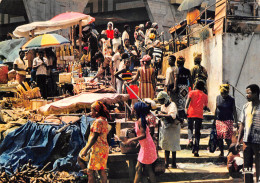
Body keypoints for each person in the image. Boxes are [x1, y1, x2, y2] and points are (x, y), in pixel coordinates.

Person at [123, 102, 157, 183]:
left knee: (147, 169)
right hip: (144, 146)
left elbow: (144, 135)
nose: (132, 110)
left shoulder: (141, 121)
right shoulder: (139, 120)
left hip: (147, 147)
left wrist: (131, 139)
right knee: (138, 168)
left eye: (133, 109)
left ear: (137, 110)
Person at [79, 101, 111, 183]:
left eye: (91, 110)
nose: (90, 112)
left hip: (97, 149)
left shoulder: (98, 122)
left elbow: (94, 137)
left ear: (96, 111)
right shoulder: (104, 120)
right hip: (103, 148)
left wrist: (86, 149)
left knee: (90, 171)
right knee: (101, 169)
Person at [236, 84, 260, 183]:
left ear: (256, 93)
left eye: (249, 93)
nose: (247, 95)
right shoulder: (245, 107)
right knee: (247, 167)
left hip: (258, 142)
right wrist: (238, 141)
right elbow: (242, 124)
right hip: (247, 141)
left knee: (259, 165)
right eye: (246, 93)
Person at [157, 91, 181, 168]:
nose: (160, 102)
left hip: (173, 127)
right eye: (159, 100)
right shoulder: (163, 106)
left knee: (173, 146)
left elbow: (172, 116)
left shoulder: (172, 105)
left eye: (161, 100)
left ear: (165, 98)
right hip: (166, 127)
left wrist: (161, 115)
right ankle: (166, 163)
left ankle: (173, 163)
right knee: (166, 145)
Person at [185, 80, 209, 157]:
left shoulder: (191, 92)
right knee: (197, 132)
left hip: (191, 113)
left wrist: (186, 109)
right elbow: (205, 107)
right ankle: (196, 150)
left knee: (190, 128)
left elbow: (187, 102)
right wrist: (205, 109)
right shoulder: (205, 96)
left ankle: (190, 139)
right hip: (199, 114)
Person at [215, 84, 238, 157]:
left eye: (225, 93)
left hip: (228, 120)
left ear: (228, 92)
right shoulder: (218, 97)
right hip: (219, 120)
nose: (223, 95)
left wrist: (236, 121)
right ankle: (221, 152)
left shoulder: (231, 99)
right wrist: (214, 119)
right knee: (219, 137)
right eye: (222, 93)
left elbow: (234, 110)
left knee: (227, 137)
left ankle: (230, 151)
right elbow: (216, 108)